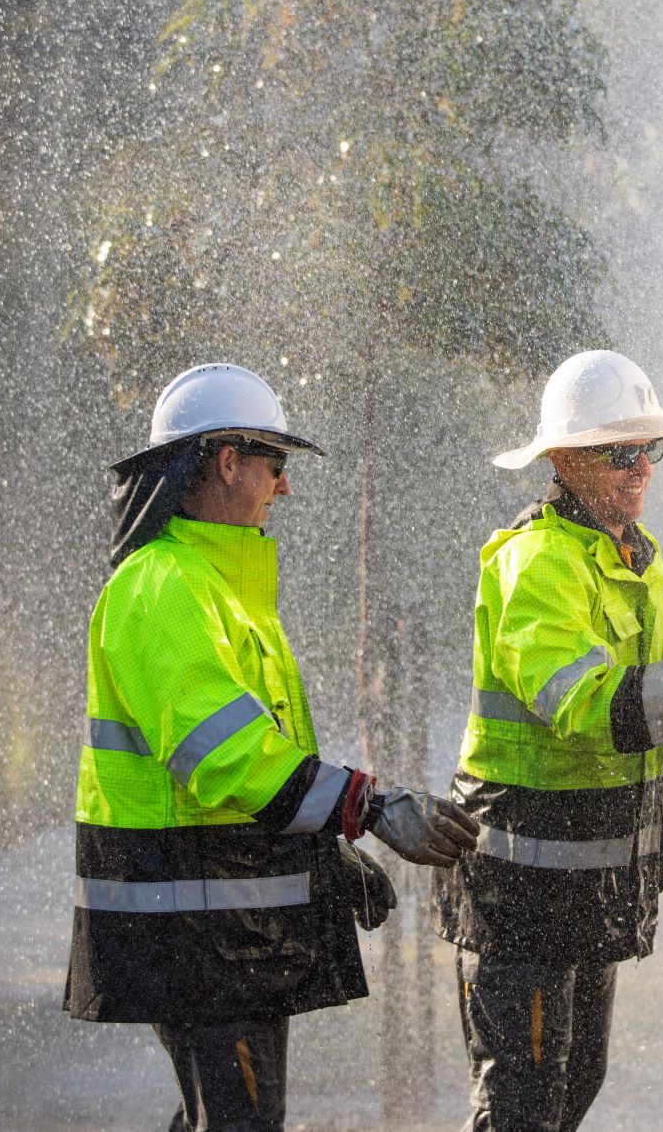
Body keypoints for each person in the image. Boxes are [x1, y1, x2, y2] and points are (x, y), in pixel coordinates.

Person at [66, 362, 483, 1132]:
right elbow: (223, 755)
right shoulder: (163, 585)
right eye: (275, 464)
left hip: (220, 926)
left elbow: (262, 769)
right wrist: (368, 806)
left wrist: (318, 855)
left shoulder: (220, 587)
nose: (283, 487)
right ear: (227, 461)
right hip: (193, 932)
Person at [433, 349, 663, 1132]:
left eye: (650, 450)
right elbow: (606, 711)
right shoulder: (534, 564)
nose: (640, 469)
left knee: (573, 1087)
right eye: (618, 451)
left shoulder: (633, 560)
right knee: (522, 1108)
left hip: (583, 892)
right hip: (520, 894)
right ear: (564, 460)